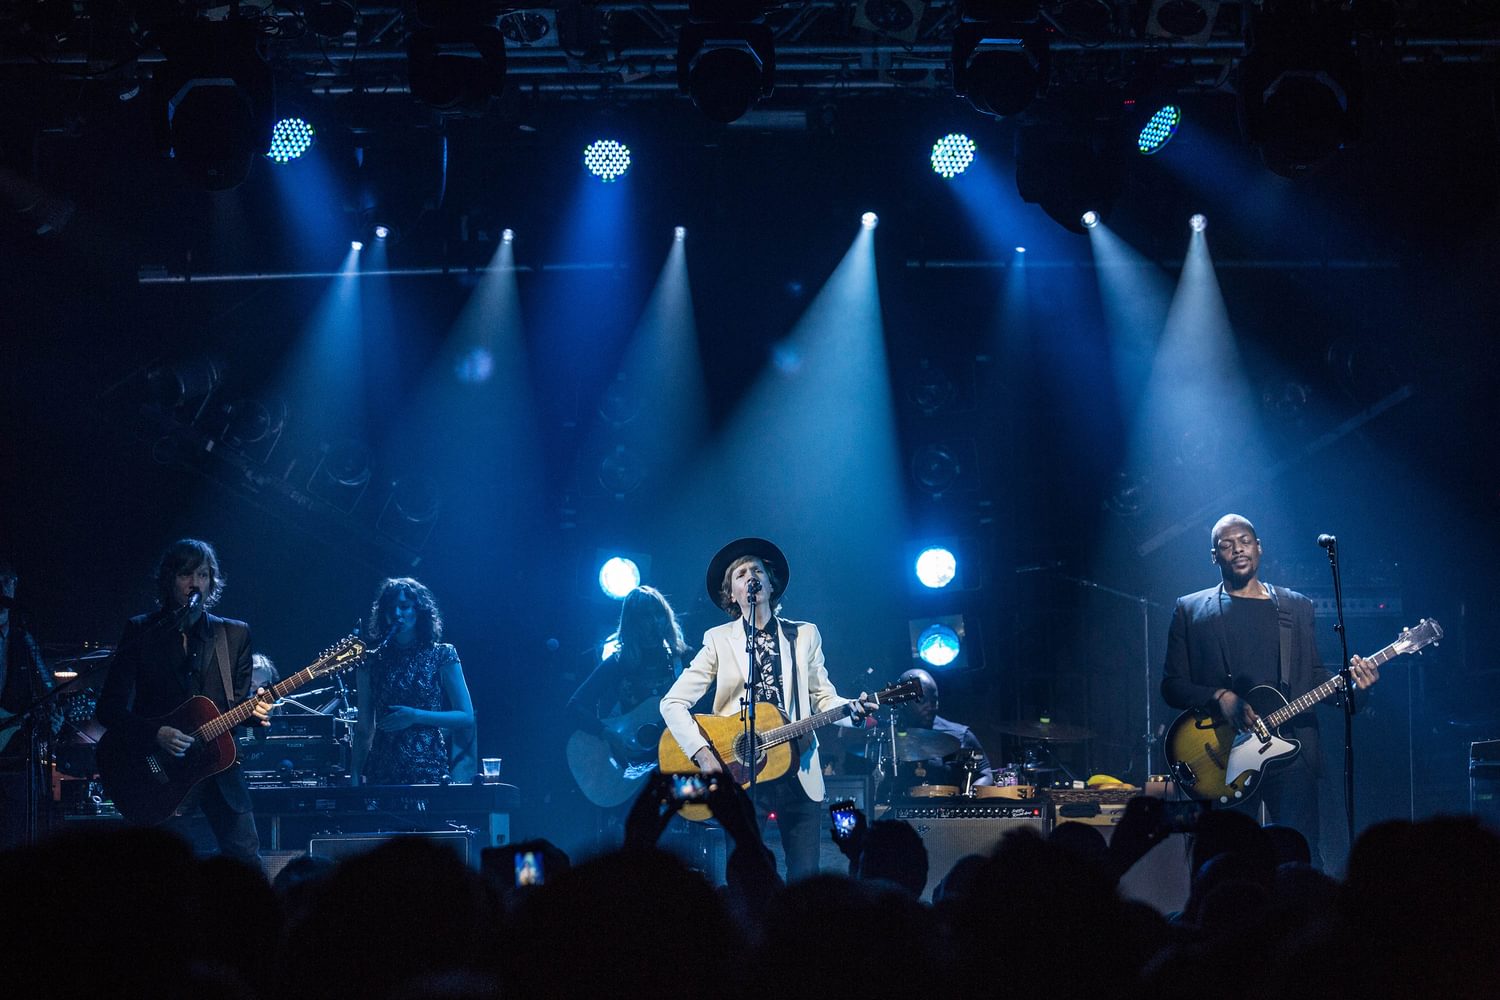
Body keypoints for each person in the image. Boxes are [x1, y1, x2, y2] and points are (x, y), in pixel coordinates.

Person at [1161, 514, 1379, 864]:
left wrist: (1357, 688)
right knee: (1227, 861)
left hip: (1291, 756)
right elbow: (1172, 686)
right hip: (1223, 755)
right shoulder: (1190, 609)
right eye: (1227, 545)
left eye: (1245, 540)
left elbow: (1315, 675)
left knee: (1298, 859)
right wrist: (1220, 698)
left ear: (1259, 547)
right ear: (1214, 556)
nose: (1238, 549)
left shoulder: (1295, 606)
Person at [660, 537, 877, 882]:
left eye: (757, 570)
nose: (751, 576)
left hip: (800, 770)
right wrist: (703, 754)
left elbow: (824, 699)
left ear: (770, 583)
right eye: (741, 573)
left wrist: (853, 709)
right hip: (741, 776)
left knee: (806, 880)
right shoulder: (718, 640)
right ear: (731, 594)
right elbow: (671, 703)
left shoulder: (804, 635)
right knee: (746, 879)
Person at [96, 539, 271, 863]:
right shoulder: (142, 631)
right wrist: (156, 734)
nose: (195, 584)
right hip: (160, 772)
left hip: (219, 765)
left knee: (245, 859)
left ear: (212, 581)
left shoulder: (234, 634)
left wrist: (255, 711)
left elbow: (238, 708)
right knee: (165, 868)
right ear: (168, 579)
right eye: (186, 574)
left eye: (203, 575)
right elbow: (108, 709)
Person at [353, 577, 476, 785]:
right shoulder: (371, 660)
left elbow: (465, 716)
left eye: (404, 607)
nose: (397, 614)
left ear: (419, 611)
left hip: (428, 769)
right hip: (382, 771)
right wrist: (355, 776)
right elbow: (364, 728)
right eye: (391, 608)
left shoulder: (442, 654)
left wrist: (415, 716)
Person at [892, 666, 994, 791]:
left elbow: (986, 774)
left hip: (948, 806)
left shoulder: (960, 735)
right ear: (903, 702)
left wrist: (968, 798)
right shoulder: (887, 736)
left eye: (934, 701)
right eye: (922, 701)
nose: (930, 707)